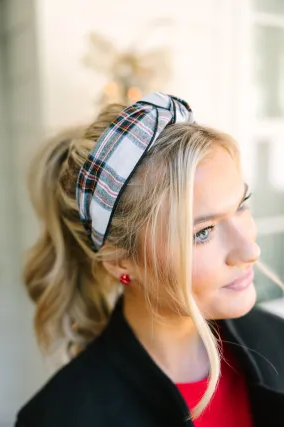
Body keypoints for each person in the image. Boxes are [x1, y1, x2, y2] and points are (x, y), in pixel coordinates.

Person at [15, 93, 284, 427]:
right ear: (119, 261)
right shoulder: (61, 416)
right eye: (202, 232)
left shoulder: (278, 341)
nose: (250, 250)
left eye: (241, 205)